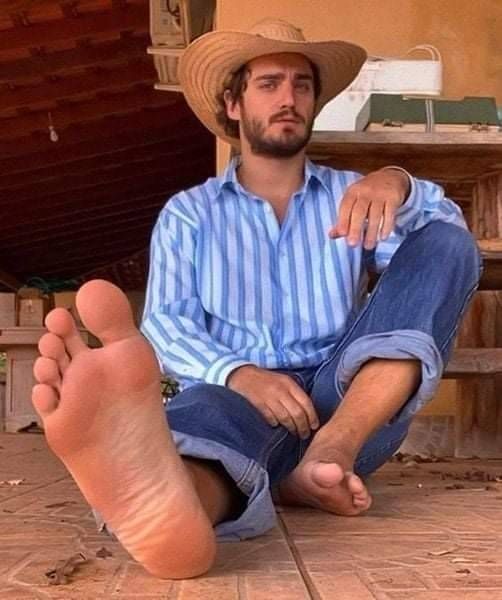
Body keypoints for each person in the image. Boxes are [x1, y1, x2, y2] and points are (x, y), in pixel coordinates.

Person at [32, 19, 482, 579]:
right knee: (209, 421)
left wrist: (398, 182)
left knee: (445, 241)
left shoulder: (353, 194)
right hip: (235, 398)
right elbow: (166, 323)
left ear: (314, 103)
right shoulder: (189, 214)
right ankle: (175, 506)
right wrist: (240, 373)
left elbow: (444, 255)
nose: (288, 98)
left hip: (347, 402)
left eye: (301, 85)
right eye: (269, 83)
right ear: (234, 103)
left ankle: (329, 453)